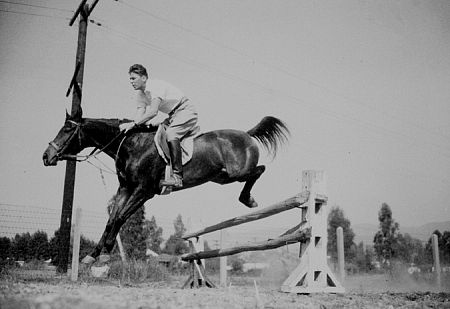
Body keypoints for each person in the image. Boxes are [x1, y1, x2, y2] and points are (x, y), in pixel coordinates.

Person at [119, 64, 200, 188]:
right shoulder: (140, 94)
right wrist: (131, 126)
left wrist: (134, 124)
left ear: (144, 78)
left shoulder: (154, 87)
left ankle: (177, 177)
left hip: (185, 110)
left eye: (133, 78)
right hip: (173, 115)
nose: (131, 82)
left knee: (171, 134)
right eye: (130, 79)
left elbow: (152, 112)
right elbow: (140, 114)